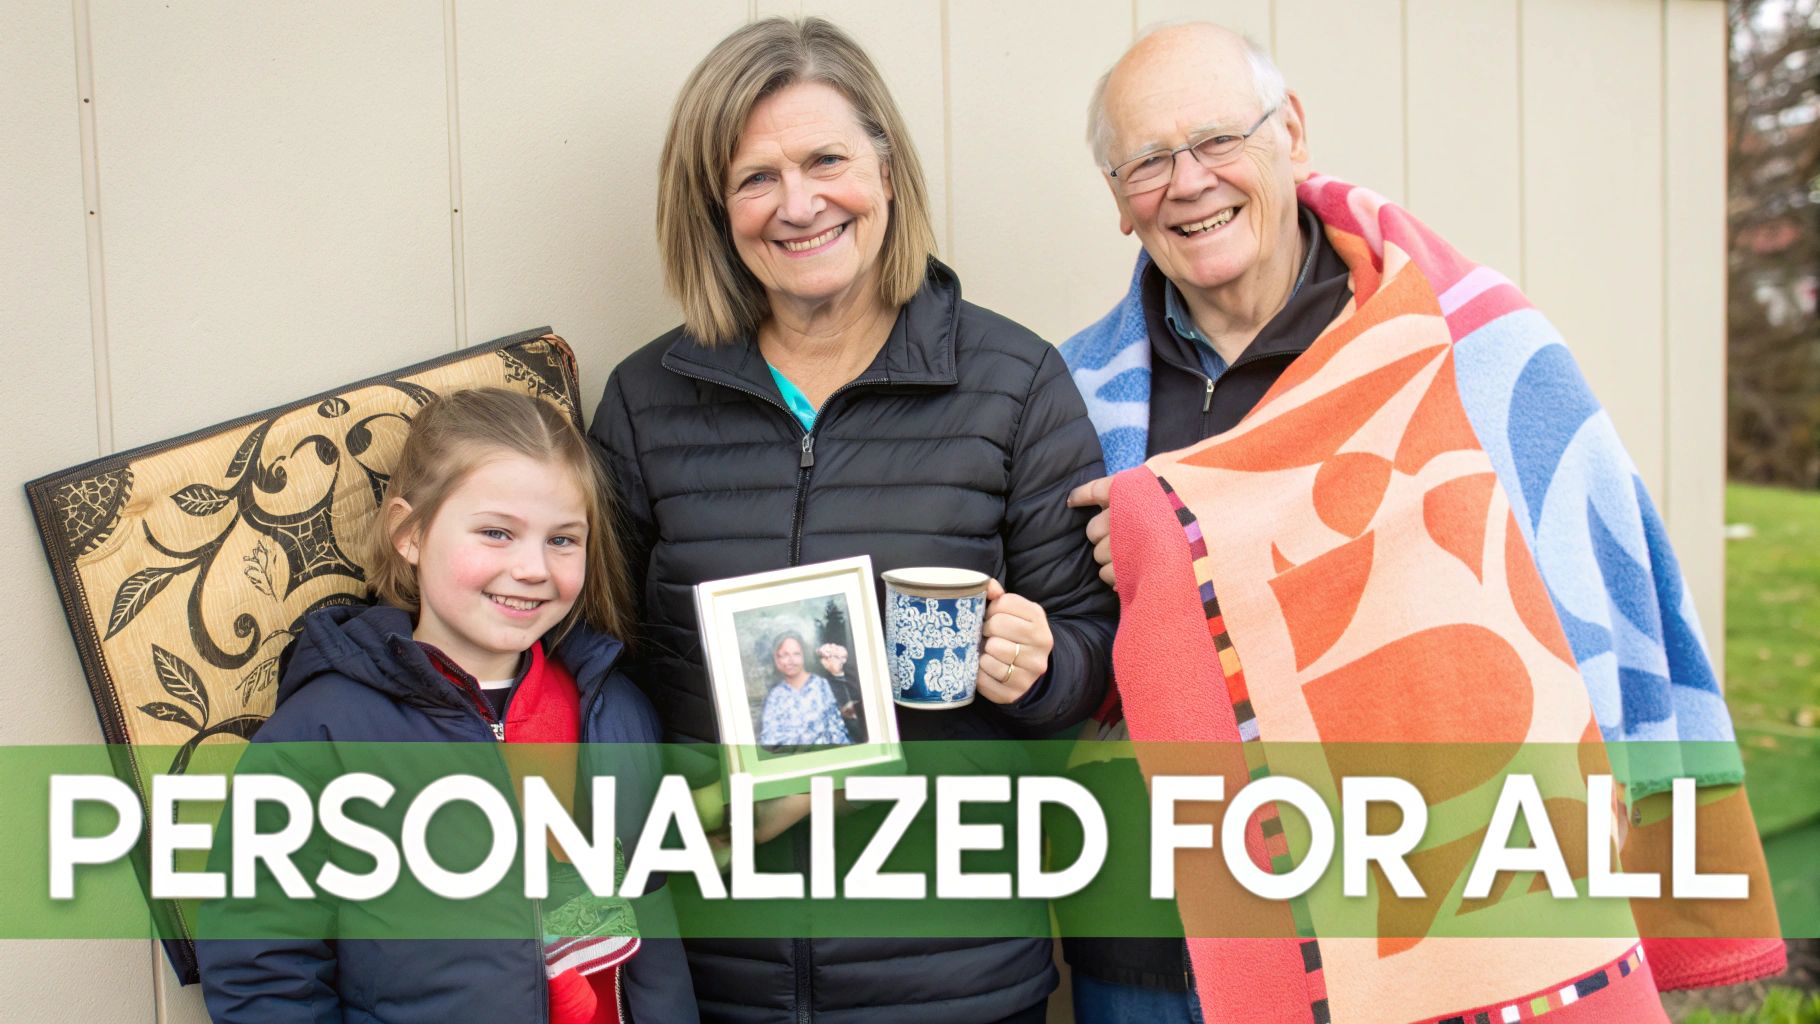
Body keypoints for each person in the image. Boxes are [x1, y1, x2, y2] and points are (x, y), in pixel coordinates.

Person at [1059, 22, 1782, 1024]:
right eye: (1146, 160)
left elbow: (1598, 592)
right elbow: (1070, 663)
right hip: (1157, 943)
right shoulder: (1082, 401)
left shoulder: (1468, 348)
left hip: (1433, 920)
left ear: (1292, 134)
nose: (1187, 182)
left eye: (1218, 140)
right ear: (1117, 197)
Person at [590, 16, 1115, 1022]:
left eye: (824, 159)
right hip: (710, 976)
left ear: (883, 167)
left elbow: (1093, 651)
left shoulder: (1009, 383)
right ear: (712, 205)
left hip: (951, 978)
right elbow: (594, 666)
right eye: (754, 177)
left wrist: (1044, 664)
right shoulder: (644, 402)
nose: (797, 205)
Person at [196, 388, 697, 1023]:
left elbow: (653, 931)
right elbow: (259, 964)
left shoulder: (615, 712)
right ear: (410, 532)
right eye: (496, 533)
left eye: (563, 540)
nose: (533, 568)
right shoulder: (324, 733)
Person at [756, 630, 850, 747]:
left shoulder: (822, 685)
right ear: (777, 660)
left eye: (796, 654)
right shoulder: (775, 697)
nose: (791, 660)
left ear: (803, 656)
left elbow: (837, 729)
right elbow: (769, 740)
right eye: (784, 655)